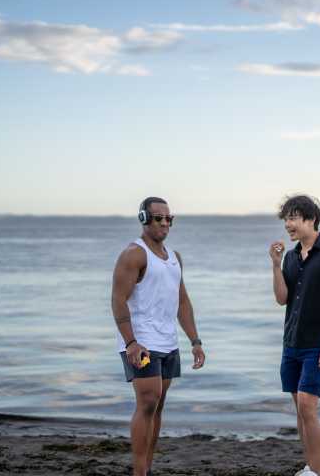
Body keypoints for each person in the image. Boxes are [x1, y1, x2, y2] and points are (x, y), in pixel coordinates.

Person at [111, 196, 205, 476]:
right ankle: (139, 472)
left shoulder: (174, 258)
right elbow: (118, 300)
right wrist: (130, 342)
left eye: (168, 218)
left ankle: (147, 468)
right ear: (144, 219)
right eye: (158, 218)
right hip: (141, 344)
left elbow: (182, 301)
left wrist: (195, 341)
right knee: (148, 401)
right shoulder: (134, 254)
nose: (164, 223)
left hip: (168, 342)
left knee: (158, 406)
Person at [269, 195, 320, 476]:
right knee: (300, 409)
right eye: (286, 219)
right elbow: (282, 299)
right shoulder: (291, 257)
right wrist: (276, 264)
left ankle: (315, 471)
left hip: (318, 344)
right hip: (291, 343)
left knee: (307, 405)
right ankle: (310, 466)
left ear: (311, 219)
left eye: (293, 218)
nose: (288, 224)